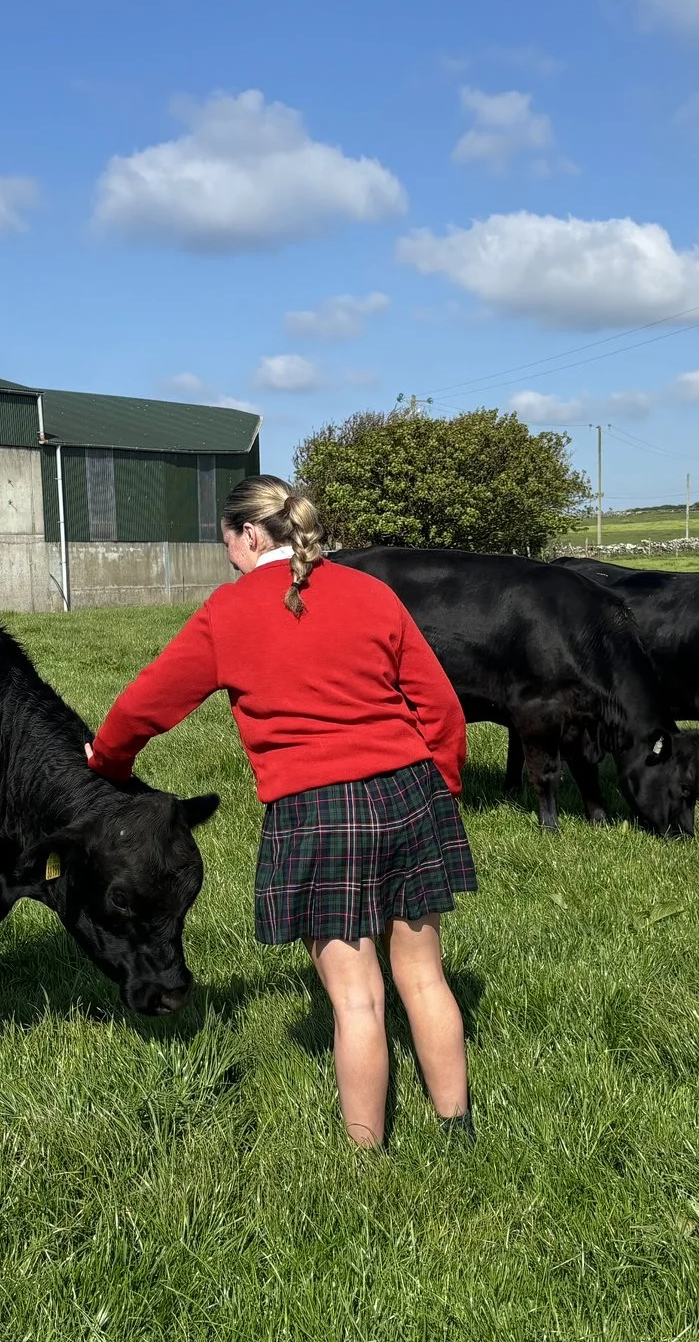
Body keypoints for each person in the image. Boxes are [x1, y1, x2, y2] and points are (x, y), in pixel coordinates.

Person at [88, 477, 477, 1148]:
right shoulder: (372, 593)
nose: (229, 560)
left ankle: (368, 1164)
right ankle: (457, 1130)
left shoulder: (228, 612)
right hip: (410, 791)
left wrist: (108, 762)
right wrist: (441, 787)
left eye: (229, 546)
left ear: (251, 535)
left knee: (357, 999)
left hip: (317, 809)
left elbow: (143, 704)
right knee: (423, 972)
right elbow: (440, 707)